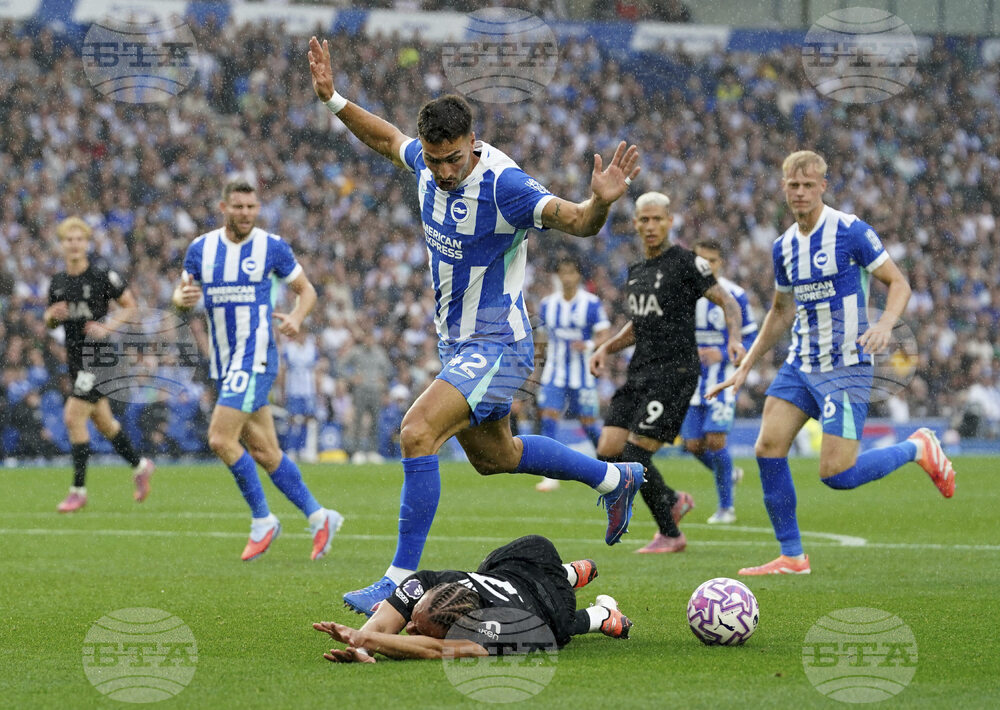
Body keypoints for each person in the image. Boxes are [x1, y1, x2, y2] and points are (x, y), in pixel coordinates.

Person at [308, 36, 644, 616]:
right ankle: (615, 480)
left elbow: (575, 220)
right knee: (497, 458)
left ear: (473, 142)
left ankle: (396, 580)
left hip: (500, 344)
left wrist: (601, 204)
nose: (442, 170)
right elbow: (386, 138)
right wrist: (333, 98)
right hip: (459, 342)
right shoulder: (426, 161)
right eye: (434, 159)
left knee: (417, 432)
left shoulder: (503, 186)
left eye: (453, 159)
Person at [707, 150, 955, 576]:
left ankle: (918, 447)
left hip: (845, 366)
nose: (800, 192)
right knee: (767, 448)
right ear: (784, 188)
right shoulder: (784, 246)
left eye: (808, 185)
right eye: (793, 185)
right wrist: (747, 363)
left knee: (837, 474)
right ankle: (792, 556)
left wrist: (885, 325)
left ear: (823, 186)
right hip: (801, 363)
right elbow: (780, 311)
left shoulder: (850, 231)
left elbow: (899, 283)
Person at [172, 178, 343, 562]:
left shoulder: (272, 247)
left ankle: (263, 519)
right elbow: (180, 297)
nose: (245, 213)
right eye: (238, 207)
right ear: (224, 208)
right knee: (265, 451)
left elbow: (307, 290)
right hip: (224, 363)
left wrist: (296, 317)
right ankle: (320, 516)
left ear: (258, 209)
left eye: (251, 207)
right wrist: (180, 299)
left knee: (220, 439)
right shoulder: (201, 249)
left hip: (255, 358)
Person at [589, 192, 746, 554]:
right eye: (644, 220)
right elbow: (638, 325)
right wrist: (605, 348)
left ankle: (671, 534)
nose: (650, 226)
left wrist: (734, 338)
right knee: (608, 451)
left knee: (635, 454)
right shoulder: (636, 271)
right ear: (635, 224)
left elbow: (728, 301)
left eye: (657, 219)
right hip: (640, 371)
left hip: (674, 373)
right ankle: (672, 499)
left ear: (669, 222)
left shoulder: (687, 263)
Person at [313, 535, 632, 663]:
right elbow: (384, 623)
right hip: (521, 562)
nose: (409, 628)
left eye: (419, 630)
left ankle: (602, 615)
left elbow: (434, 650)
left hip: (548, 604)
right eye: (415, 619)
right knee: (487, 568)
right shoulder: (426, 582)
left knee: (554, 634)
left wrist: (366, 640)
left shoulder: (493, 631)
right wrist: (362, 648)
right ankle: (569, 573)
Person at [44, 216, 155, 513]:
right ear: (62, 244)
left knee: (72, 417)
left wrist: (107, 327)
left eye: (79, 239)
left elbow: (130, 306)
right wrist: (51, 317)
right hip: (75, 359)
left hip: (100, 359)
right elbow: (50, 319)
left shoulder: (100, 275)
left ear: (87, 243)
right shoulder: (58, 282)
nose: (74, 244)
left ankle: (78, 490)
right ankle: (141, 466)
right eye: (69, 239)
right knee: (104, 423)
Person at [679, 240, 758, 524]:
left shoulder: (735, 295)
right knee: (692, 445)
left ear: (720, 263)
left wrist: (722, 353)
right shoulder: (682, 293)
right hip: (691, 383)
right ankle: (728, 473)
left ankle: (726, 508)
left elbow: (751, 337)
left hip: (723, 380)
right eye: (702, 260)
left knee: (715, 440)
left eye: (712, 260)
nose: (707, 265)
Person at [534, 257, 612, 492]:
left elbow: (604, 335)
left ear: (578, 276)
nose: (567, 278)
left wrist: (588, 345)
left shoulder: (591, 303)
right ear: (557, 276)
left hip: (583, 374)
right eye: (563, 273)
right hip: (554, 372)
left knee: (588, 423)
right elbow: (542, 338)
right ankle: (549, 474)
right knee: (549, 418)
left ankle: (609, 466)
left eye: (571, 272)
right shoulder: (548, 304)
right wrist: (536, 367)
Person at [279, 330, 320, 462]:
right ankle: (291, 448)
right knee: (292, 418)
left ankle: (303, 449)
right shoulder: (289, 349)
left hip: (308, 390)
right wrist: (282, 389)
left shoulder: (312, 349)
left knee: (307, 418)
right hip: (293, 389)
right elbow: (283, 370)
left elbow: (316, 371)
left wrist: (317, 390)